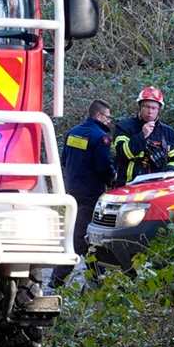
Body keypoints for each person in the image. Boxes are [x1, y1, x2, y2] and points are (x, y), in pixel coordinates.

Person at [61, 99, 116, 255]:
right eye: (107, 117)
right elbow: (103, 167)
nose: (109, 121)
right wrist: (112, 178)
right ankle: (69, 265)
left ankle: (91, 271)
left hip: (72, 187)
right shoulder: (101, 137)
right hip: (91, 191)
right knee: (85, 230)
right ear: (98, 115)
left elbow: (64, 160)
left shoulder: (73, 132)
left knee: (75, 224)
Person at [112, 85, 174, 183]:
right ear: (140, 107)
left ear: (159, 110)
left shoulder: (168, 132)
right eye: (146, 107)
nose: (150, 112)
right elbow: (122, 154)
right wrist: (142, 135)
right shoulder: (124, 127)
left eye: (154, 108)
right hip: (128, 185)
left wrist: (169, 173)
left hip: (157, 186)